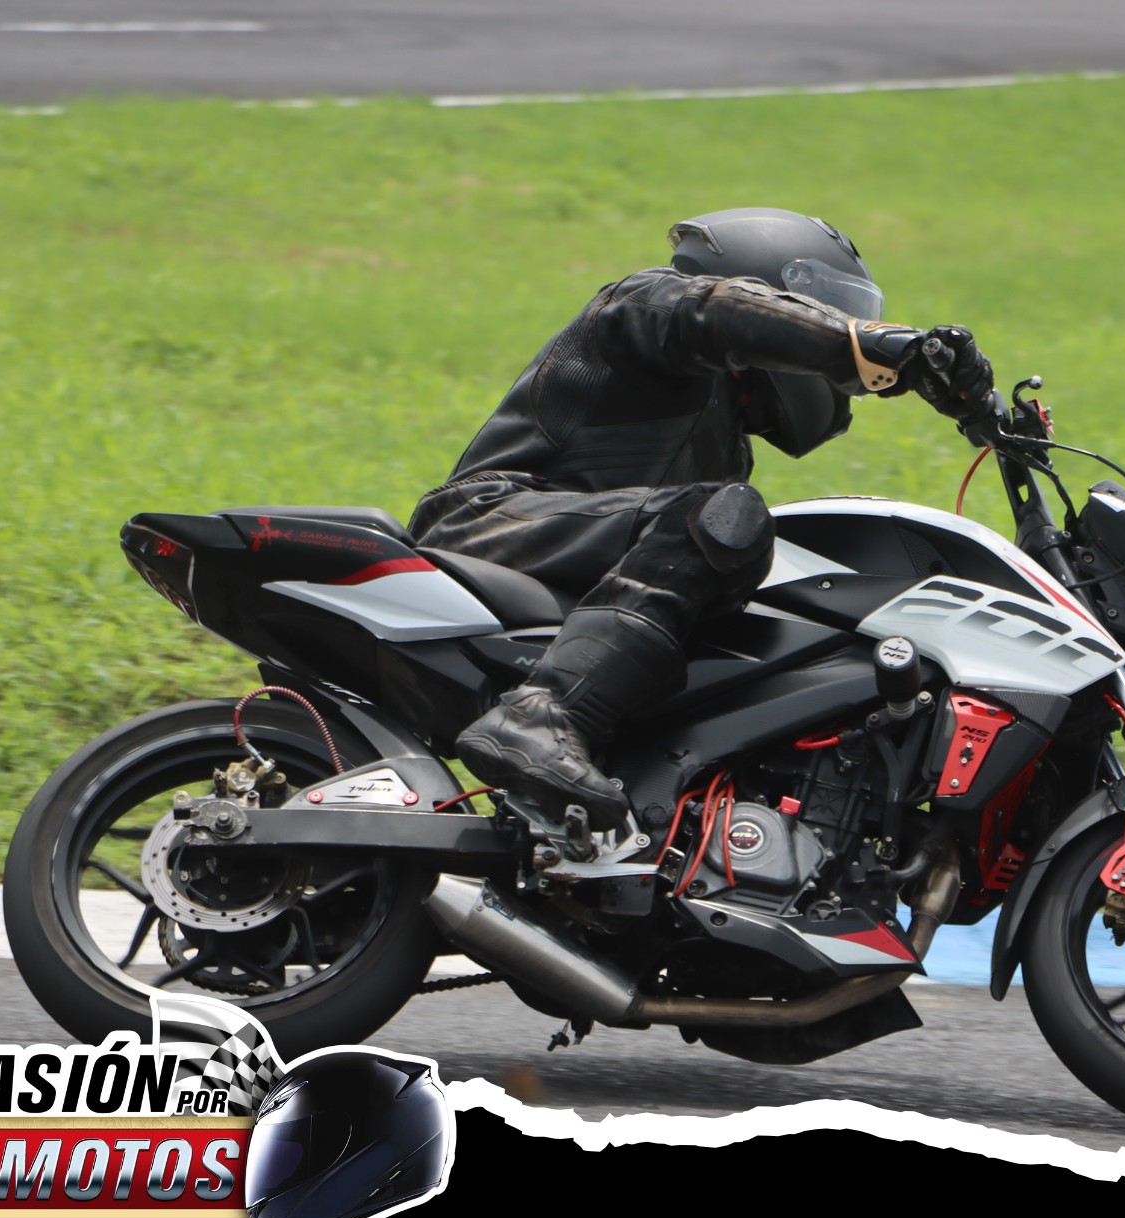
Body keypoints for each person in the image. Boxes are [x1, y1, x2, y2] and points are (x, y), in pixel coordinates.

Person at [406, 207, 997, 828]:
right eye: (825, 308)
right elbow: (711, 312)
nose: (837, 326)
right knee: (722, 517)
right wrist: (873, 344)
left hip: (569, 561)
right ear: (765, 291)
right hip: (491, 524)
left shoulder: (726, 446)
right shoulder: (647, 305)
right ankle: (538, 718)